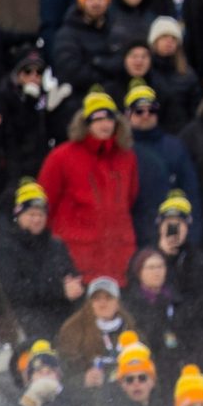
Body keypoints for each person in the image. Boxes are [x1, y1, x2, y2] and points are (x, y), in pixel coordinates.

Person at [39, 89, 138, 282]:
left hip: (119, 257)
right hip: (77, 260)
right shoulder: (61, 157)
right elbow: (45, 204)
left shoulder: (127, 158)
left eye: (109, 119)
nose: (105, 124)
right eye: (97, 119)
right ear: (86, 123)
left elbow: (130, 198)